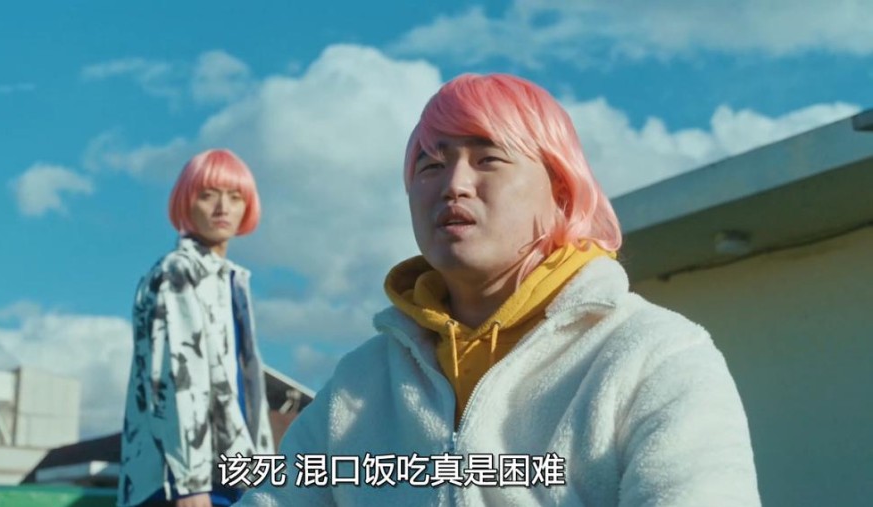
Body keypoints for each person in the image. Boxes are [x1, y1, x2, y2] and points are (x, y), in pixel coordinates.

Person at [237, 74, 760, 506]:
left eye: (488, 159)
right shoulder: (361, 382)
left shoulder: (655, 354)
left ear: (561, 192)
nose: (454, 185)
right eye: (431, 165)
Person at [119, 149, 276, 507]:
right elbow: (175, 377)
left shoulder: (231, 280)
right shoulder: (176, 272)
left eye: (235, 197)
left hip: (231, 476)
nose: (223, 208)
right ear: (186, 202)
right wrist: (190, 484)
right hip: (182, 484)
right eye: (208, 195)